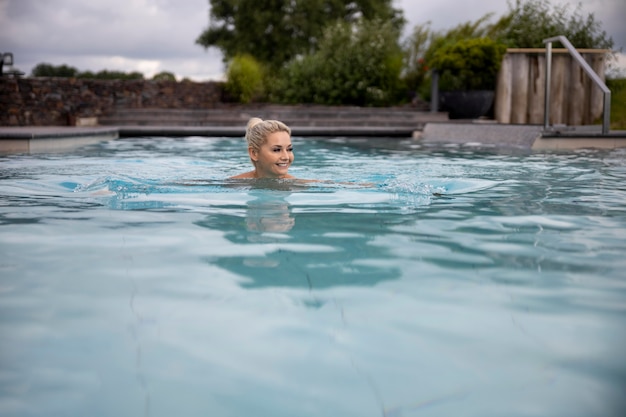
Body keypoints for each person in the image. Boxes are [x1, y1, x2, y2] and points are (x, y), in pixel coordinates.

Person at [230, 118, 295, 179]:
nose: (286, 157)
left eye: (289, 149)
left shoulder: (300, 186)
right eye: (277, 150)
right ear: (254, 153)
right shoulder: (232, 185)